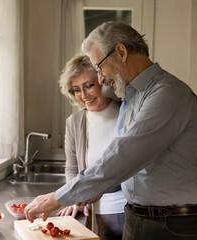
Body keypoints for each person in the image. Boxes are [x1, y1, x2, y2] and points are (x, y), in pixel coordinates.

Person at [25, 21, 197, 240]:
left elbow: (125, 155)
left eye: (99, 67)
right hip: (140, 218)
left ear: (121, 52)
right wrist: (94, 190)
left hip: (175, 224)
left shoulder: (167, 94)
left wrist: (58, 197)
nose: (101, 77)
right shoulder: (131, 98)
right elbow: (132, 166)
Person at [57, 54, 127, 240]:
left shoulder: (127, 113)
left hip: (128, 209)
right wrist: (74, 197)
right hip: (94, 214)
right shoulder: (74, 122)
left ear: (103, 81)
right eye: (76, 90)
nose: (83, 95)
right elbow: (72, 168)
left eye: (89, 85)